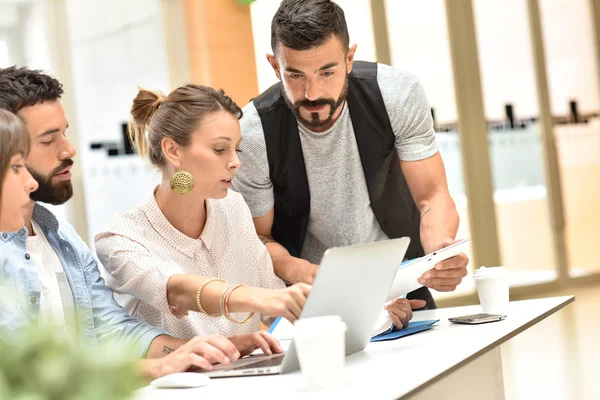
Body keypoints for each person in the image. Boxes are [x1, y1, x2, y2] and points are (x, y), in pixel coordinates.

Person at [0, 66, 281, 379]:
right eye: (48, 140)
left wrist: (198, 350)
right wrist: (162, 366)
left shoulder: (63, 241)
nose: (69, 150)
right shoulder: (118, 235)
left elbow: (114, 331)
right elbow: (26, 375)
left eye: (64, 133)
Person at [232, 0, 469, 311]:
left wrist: (439, 251)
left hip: (401, 282)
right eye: (295, 75)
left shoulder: (397, 94)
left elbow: (432, 197)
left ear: (349, 59)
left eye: (326, 72)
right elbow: (260, 239)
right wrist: (309, 275)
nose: (312, 93)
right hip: (312, 300)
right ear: (275, 67)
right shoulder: (251, 132)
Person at [95, 84, 311, 341]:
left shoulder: (234, 206)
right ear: (173, 151)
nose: (235, 161)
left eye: (237, 149)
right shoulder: (120, 236)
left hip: (249, 377)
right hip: (178, 381)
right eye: (220, 149)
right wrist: (264, 299)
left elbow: (274, 307)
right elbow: (176, 289)